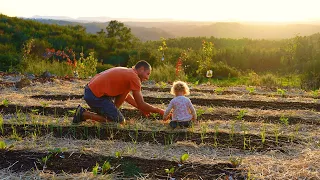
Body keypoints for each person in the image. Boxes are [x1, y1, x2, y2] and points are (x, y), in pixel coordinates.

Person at [73, 60, 165, 124]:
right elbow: (141, 103)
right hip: (95, 95)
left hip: (92, 91)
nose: (147, 78)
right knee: (119, 121)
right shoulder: (134, 78)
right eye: (147, 73)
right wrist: (159, 111)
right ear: (141, 69)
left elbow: (126, 96)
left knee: (121, 99)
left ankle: (109, 114)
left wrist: (141, 108)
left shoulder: (129, 73)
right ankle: (83, 114)